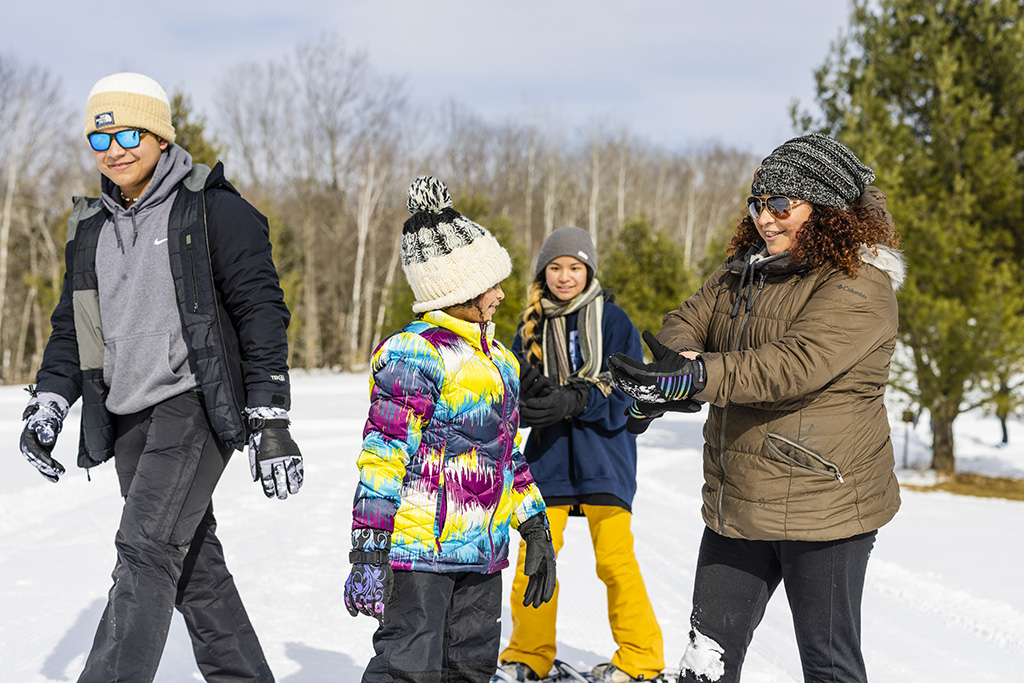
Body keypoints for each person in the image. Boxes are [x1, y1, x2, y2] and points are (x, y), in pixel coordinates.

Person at [17, 72, 302, 682]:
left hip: (193, 403)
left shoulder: (212, 208)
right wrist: (49, 403)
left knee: (144, 550)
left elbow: (260, 309)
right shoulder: (90, 227)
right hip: (125, 415)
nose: (114, 149)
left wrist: (271, 413)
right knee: (193, 567)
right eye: (100, 138)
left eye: (128, 133)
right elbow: (73, 327)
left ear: (160, 135)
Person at [608, 133, 904, 683]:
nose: (765, 219)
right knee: (704, 664)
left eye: (780, 205)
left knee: (829, 666)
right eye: (758, 205)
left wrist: (696, 377)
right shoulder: (743, 272)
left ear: (825, 209)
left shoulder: (860, 284)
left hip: (825, 508)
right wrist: (674, 369)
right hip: (739, 501)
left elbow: (790, 365)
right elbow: (687, 318)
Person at [345, 175, 556, 683]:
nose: (502, 294)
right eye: (492, 284)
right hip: (420, 553)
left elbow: (508, 456)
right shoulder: (414, 352)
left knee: (470, 670)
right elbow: (384, 454)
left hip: (481, 556)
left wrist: (535, 526)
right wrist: (368, 545)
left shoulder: (501, 359)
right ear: (460, 289)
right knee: (408, 669)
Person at [496, 227, 667, 683]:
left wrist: (577, 399)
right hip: (548, 458)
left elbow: (630, 390)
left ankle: (640, 659)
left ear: (588, 269)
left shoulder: (613, 320)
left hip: (604, 456)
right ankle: (528, 656)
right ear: (543, 272)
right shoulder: (530, 325)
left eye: (574, 267)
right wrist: (529, 405)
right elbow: (509, 397)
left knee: (614, 560)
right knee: (537, 556)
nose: (565, 276)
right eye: (555, 267)